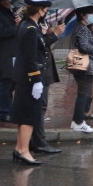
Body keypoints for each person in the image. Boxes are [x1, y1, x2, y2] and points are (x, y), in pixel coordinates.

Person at [11, 0, 52, 165]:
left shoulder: (27, 25)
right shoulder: (30, 29)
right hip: (30, 79)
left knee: (24, 116)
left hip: (24, 78)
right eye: (45, 9)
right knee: (29, 117)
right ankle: (24, 150)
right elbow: (30, 57)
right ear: (40, 10)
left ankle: (20, 148)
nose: (46, 12)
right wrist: (36, 79)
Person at [29, 13, 64, 154]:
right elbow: (40, 45)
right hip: (38, 71)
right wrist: (54, 35)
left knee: (39, 107)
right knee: (39, 108)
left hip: (43, 69)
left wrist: (49, 33)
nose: (45, 12)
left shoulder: (38, 24)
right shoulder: (30, 26)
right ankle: (39, 142)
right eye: (44, 9)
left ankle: (34, 140)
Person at [70, 6, 93, 133]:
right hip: (84, 66)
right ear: (83, 15)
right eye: (91, 13)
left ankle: (76, 121)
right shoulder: (81, 28)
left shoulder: (85, 28)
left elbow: (87, 43)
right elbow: (84, 47)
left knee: (85, 93)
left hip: (87, 66)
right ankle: (78, 121)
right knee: (83, 94)